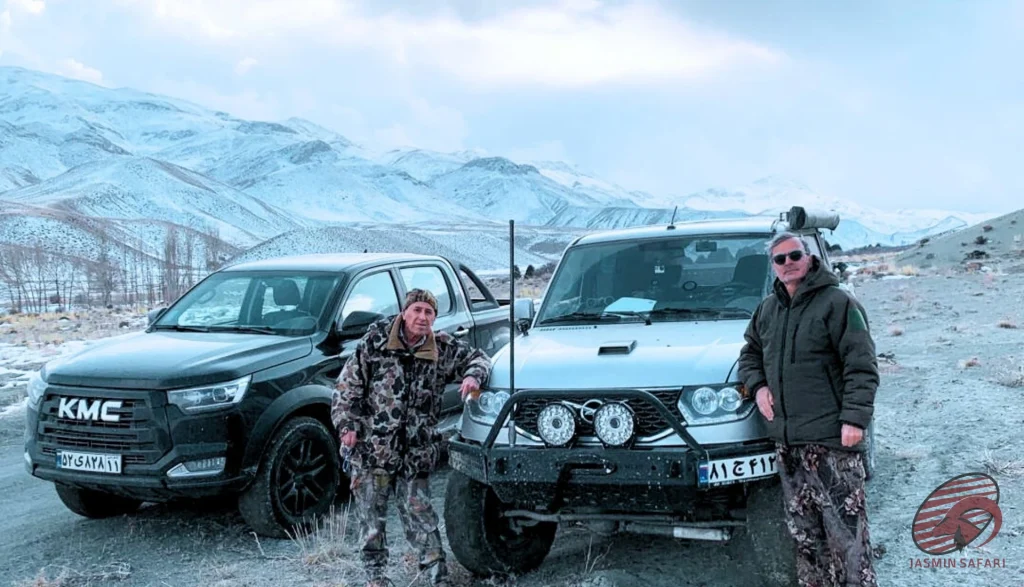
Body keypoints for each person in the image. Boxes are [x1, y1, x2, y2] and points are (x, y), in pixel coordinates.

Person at [738, 232, 879, 587]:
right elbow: (749, 354)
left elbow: (861, 366)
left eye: (794, 255)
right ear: (772, 265)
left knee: (847, 534)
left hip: (832, 440)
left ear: (810, 256)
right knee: (804, 533)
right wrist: (758, 387)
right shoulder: (768, 309)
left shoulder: (838, 303)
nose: (787, 264)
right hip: (788, 442)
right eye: (779, 259)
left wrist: (855, 419)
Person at [331, 288, 492, 587]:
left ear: (434, 317)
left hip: (414, 455)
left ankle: (437, 578)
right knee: (371, 522)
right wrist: (347, 426)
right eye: (416, 310)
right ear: (404, 312)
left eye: (428, 312)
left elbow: (480, 357)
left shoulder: (441, 347)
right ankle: (375, 578)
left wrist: (473, 376)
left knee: (422, 520)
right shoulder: (374, 343)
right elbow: (345, 389)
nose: (422, 317)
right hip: (372, 453)